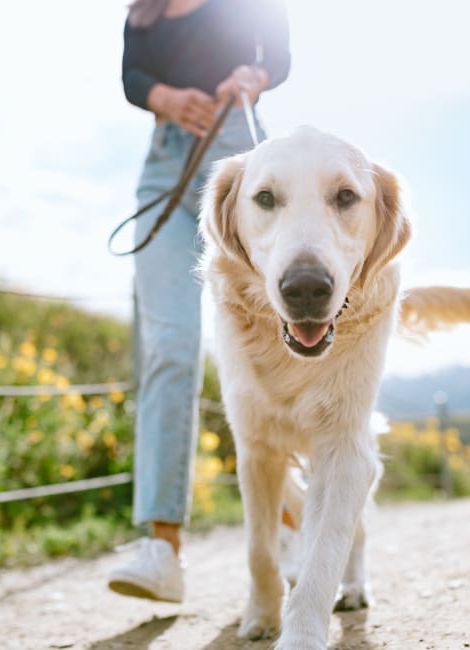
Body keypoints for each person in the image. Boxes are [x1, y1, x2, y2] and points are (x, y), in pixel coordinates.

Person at [107, 0, 290, 603]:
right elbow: (132, 77)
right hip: (163, 170)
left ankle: (294, 514)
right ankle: (162, 548)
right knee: (170, 345)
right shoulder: (144, 12)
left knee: (267, 334)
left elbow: (279, 57)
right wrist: (164, 97)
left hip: (238, 158)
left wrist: (253, 78)